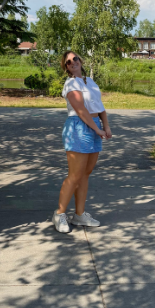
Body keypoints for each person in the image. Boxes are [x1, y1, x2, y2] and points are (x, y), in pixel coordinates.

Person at [55, 51, 111, 233]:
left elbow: (99, 107)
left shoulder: (90, 81)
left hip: (94, 125)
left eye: (75, 59)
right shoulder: (71, 84)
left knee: (85, 174)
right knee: (75, 175)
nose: (72, 62)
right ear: (66, 67)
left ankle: (79, 215)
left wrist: (106, 126)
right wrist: (97, 130)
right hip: (78, 128)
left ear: (81, 60)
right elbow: (80, 109)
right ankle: (60, 214)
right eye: (68, 62)